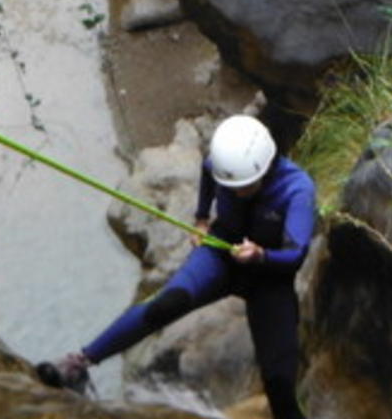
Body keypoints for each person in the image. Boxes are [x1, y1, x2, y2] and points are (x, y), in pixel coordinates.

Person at [36, 115, 314, 419]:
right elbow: (209, 172)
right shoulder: (222, 166)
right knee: (166, 304)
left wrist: (261, 255)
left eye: (243, 186)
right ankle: (78, 364)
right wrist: (201, 219)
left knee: (279, 382)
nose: (236, 192)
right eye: (230, 186)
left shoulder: (296, 189)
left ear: (265, 166)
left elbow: (295, 254)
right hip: (221, 254)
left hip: (269, 276)